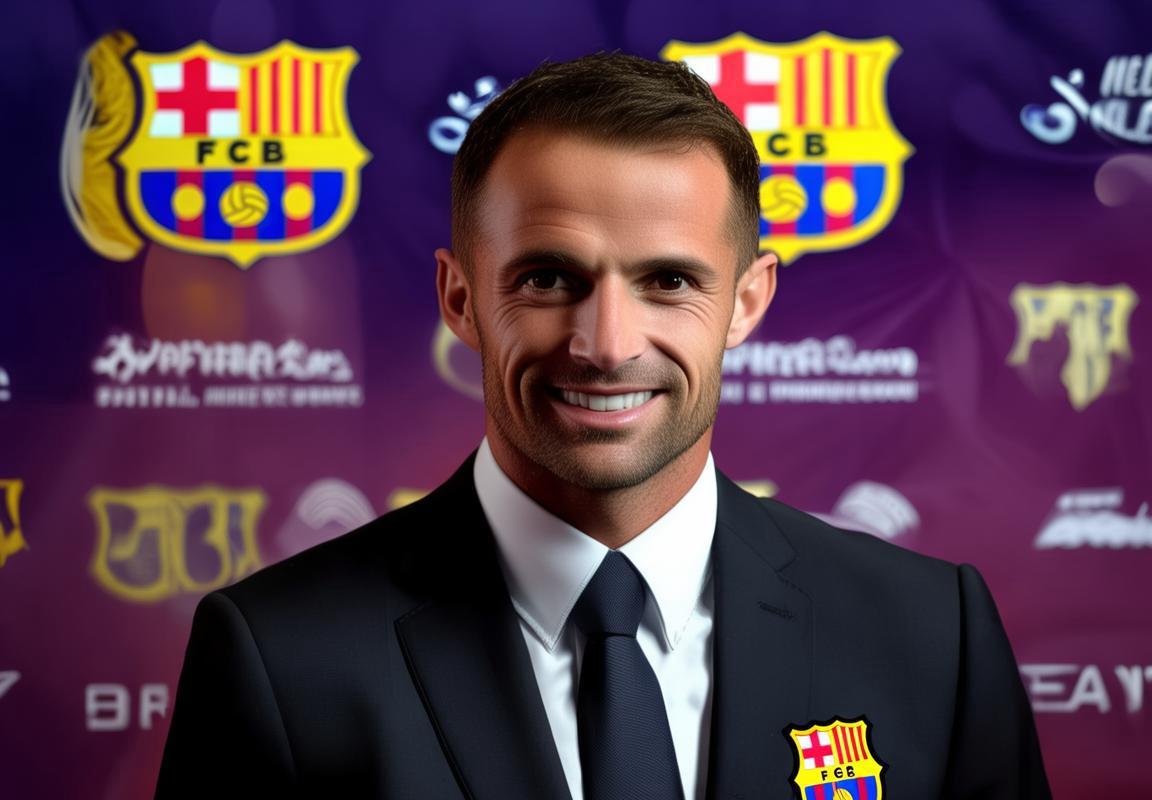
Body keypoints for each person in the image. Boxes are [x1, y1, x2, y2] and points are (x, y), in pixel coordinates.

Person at [155, 53, 1050, 799]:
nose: (606, 345)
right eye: (548, 279)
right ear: (460, 298)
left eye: (669, 281)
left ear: (747, 302)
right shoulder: (279, 655)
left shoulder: (935, 635)